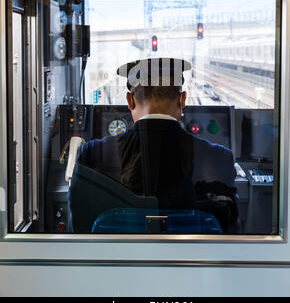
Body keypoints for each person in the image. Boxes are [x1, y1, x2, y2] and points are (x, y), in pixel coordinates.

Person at [76, 57, 238, 230]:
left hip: (119, 256)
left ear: (130, 101)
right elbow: (230, 226)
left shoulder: (92, 153)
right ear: (182, 100)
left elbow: (79, 224)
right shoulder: (220, 158)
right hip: (192, 257)